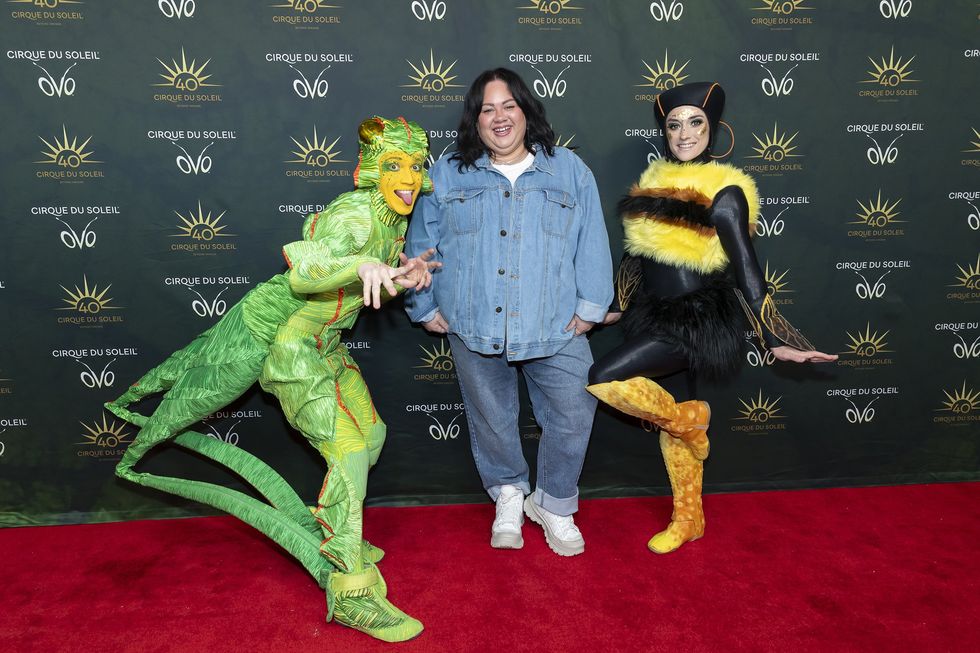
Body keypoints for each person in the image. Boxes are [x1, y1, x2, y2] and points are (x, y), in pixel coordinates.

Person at [105, 116, 439, 642]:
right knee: (349, 450)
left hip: (325, 345)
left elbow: (360, 283)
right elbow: (304, 273)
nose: (409, 178)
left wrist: (403, 272)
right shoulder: (354, 214)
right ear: (369, 171)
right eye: (395, 166)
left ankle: (333, 523)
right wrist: (358, 265)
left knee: (372, 439)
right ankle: (351, 592)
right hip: (292, 348)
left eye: (417, 166)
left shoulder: (391, 215)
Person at [587, 82, 836, 554]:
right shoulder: (651, 181)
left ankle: (690, 423)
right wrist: (618, 305)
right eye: (674, 124)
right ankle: (689, 518)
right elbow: (638, 258)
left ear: (714, 128)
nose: (684, 134)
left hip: (695, 323)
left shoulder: (725, 192)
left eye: (695, 123)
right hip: (651, 316)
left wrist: (775, 337)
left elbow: (747, 269)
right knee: (673, 418)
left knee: (602, 377)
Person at [404, 68, 613, 557]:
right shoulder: (448, 171)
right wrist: (423, 304)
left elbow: (593, 242)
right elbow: (420, 243)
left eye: (508, 106)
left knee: (574, 411)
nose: (499, 117)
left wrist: (590, 308)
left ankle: (556, 505)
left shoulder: (569, 171)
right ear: (475, 121)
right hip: (473, 321)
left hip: (555, 324)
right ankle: (509, 496)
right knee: (492, 418)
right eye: (487, 109)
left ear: (526, 111)